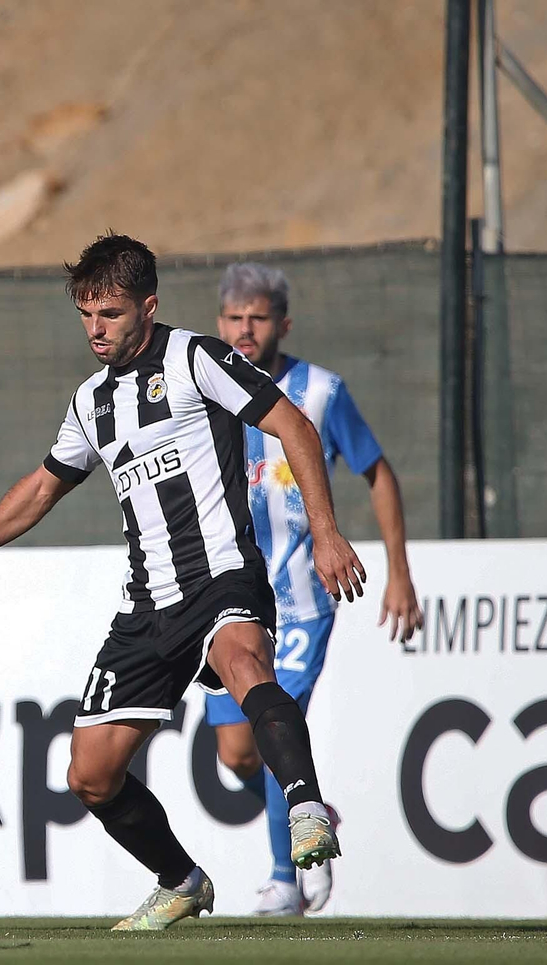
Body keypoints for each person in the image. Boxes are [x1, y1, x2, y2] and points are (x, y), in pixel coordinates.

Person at [0, 233, 365, 930]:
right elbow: (43, 485)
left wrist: (327, 529)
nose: (96, 328)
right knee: (90, 773)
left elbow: (295, 426)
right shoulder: (91, 401)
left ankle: (306, 807)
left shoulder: (195, 358)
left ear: (148, 307)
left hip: (221, 574)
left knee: (245, 663)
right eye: (86, 314)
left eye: (112, 313)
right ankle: (180, 879)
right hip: (147, 605)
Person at [201, 262, 424, 916]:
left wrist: (399, 572)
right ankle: (310, 803)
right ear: (220, 324)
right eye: (235, 317)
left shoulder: (320, 392)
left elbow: (377, 472)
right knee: (239, 755)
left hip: (300, 604)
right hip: (228, 603)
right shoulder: (203, 391)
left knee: (276, 722)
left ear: (283, 324)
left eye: (259, 317)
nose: (246, 329)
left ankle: (284, 878)